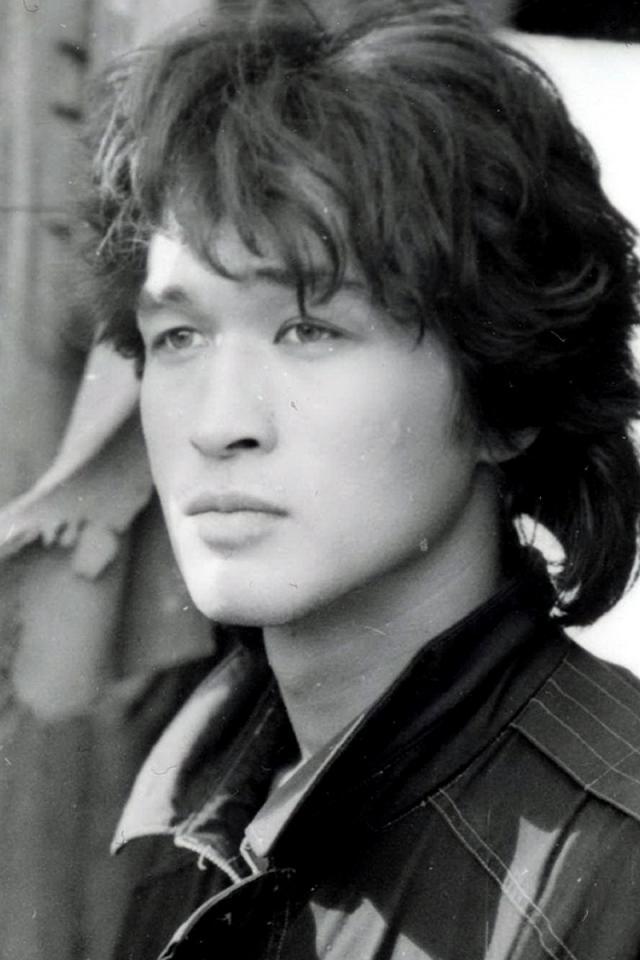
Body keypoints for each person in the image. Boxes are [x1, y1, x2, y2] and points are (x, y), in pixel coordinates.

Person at [84, 0, 640, 957]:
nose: (217, 424)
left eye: (310, 328)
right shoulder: (178, 817)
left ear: (507, 393)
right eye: (178, 337)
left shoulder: (616, 864)